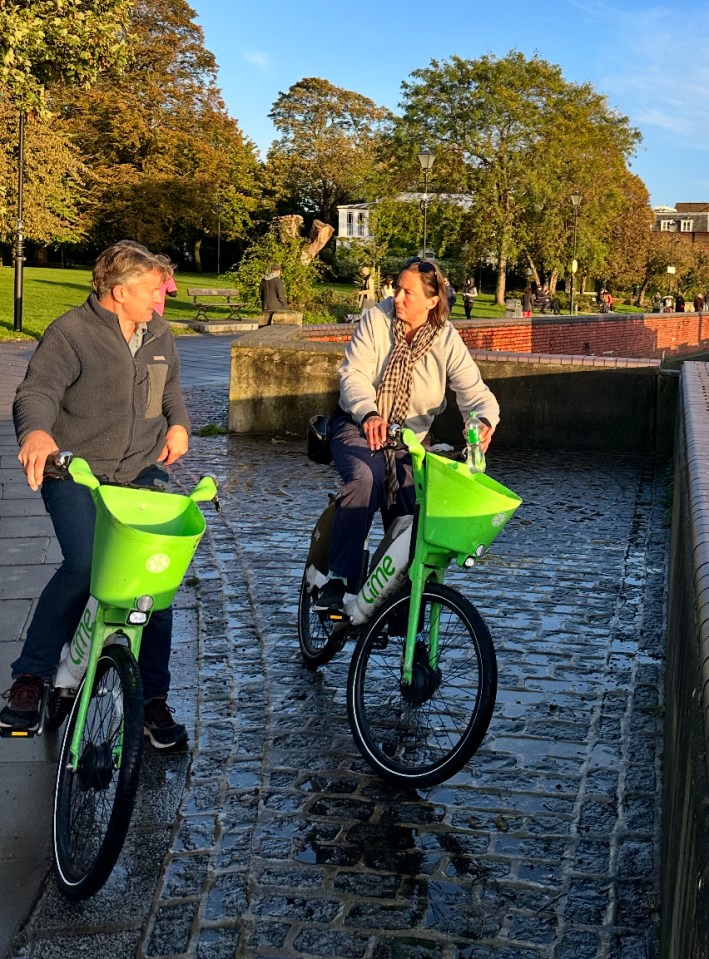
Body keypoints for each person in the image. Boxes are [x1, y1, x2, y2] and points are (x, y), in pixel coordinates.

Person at [0, 243, 192, 748]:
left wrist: (179, 426)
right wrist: (37, 434)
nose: (162, 295)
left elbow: (169, 388)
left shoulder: (159, 333)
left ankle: (150, 697)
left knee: (159, 576)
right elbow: (36, 392)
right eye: (153, 288)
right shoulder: (72, 333)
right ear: (120, 291)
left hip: (140, 471)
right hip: (77, 472)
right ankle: (32, 676)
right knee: (85, 564)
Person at [314, 258, 500, 614]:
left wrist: (483, 421)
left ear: (432, 301)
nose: (397, 297)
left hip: (410, 440)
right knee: (365, 478)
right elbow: (353, 374)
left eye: (407, 292)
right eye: (396, 288)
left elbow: (474, 393)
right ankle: (337, 579)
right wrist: (368, 413)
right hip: (358, 425)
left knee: (416, 515)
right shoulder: (376, 319)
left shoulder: (446, 339)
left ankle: (397, 610)